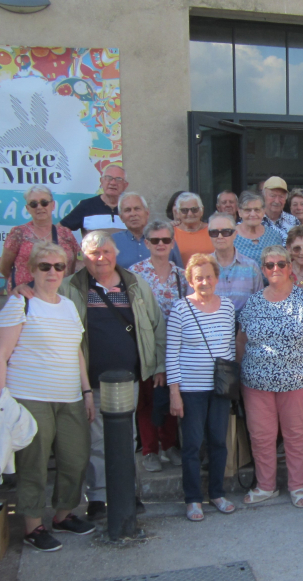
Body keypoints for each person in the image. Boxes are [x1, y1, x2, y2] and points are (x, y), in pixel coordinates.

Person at [0, 241, 96, 552]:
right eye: (45, 266)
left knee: (75, 459)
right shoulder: (19, 304)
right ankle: (32, 526)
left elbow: (75, 350)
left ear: (66, 269)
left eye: (59, 266)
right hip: (29, 396)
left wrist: (87, 391)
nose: (53, 272)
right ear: (32, 270)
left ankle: (63, 515)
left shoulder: (68, 304)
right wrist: (1, 404)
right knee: (33, 464)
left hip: (69, 398)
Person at [56, 231, 166, 521]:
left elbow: (157, 325)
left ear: (116, 254)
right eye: (93, 253)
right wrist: (22, 290)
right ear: (83, 257)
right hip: (88, 380)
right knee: (94, 441)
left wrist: (158, 366)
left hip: (127, 378)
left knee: (126, 437)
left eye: (106, 252)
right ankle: (98, 497)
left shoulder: (135, 284)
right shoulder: (70, 287)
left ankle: (127, 491)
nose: (101, 258)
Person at [237, 246, 303, 508]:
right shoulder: (253, 302)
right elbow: (241, 341)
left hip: (297, 382)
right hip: (256, 384)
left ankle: (298, 486)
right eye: (269, 265)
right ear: (263, 270)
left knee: (296, 434)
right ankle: (266, 486)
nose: (275, 269)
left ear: (289, 267)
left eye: (280, 264)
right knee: (261, 436)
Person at [167, 254, 237, 521]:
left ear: (217, 278)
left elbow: (230, 347)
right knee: (193, 445)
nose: (204, 282)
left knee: (219, 442)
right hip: (191, 390)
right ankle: (193, 499)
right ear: (190, 281)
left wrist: (230, 385)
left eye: (209, 276)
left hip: (219, 389)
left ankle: (217, 494)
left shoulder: (228, 307)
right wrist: (175, 393)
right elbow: (171, 354)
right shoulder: (180, 309)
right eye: (199, 278)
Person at [129, 220, 189, 472]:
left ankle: (170, 445)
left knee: (170, 396)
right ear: (147, 243)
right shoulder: (134, 274)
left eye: (166, 240)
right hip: (145, 345)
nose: (161, 244)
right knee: (147, 400)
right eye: (155, 240)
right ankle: (150, 449)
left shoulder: (182, 275)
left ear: (173, 243)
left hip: (175, 346)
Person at [0, 185, 79, 291]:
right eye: (33, 204)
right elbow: (4, 268)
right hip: (26, 296)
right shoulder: (18, 233)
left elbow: (72, 265)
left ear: (53, 205)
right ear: (28, 208)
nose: (39, 207)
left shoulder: (66, 234)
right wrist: (19, 286)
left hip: (59, 295)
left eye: (44, 202)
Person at [204, 212, 262, 317]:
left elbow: (259, 306)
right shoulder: (202, 267)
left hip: (244, 329)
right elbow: (194, 304)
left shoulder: (251, 267)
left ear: (235, 234)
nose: (220, 236)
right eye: (214, 232)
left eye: (226, 232)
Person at [112, 192, 182, 269]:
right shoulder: (113, 242)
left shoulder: (166, 239)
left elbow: (179, 273)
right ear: (121, 217)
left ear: (147, 213)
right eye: (128, 210)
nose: (133, 214)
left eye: (137, 209)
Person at [60, 164, 128, 234]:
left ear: (125, 185)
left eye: (118, 179)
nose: (113, 183)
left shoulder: (131, 208)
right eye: (109, 178)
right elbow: (59, 230)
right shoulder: (86, 206)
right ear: (101, 181)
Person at [233, 191, 284, 266]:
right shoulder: (230, 235)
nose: (253, 214)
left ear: (263, 211)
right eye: (248, 210)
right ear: (239, 212)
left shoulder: (274, 236)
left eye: (257, 210)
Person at [172, 192, 214, 267]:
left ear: (202, 210)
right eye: (184, 210)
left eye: (194, 209)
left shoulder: (213, 230)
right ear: (177, 213)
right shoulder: (171, 233)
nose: (190, 214)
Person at [261, 176, 300, 241]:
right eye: (272, 196)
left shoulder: (294, 222)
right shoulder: (253, 220)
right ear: (264, 196)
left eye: (281, 196)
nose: (277, 201)